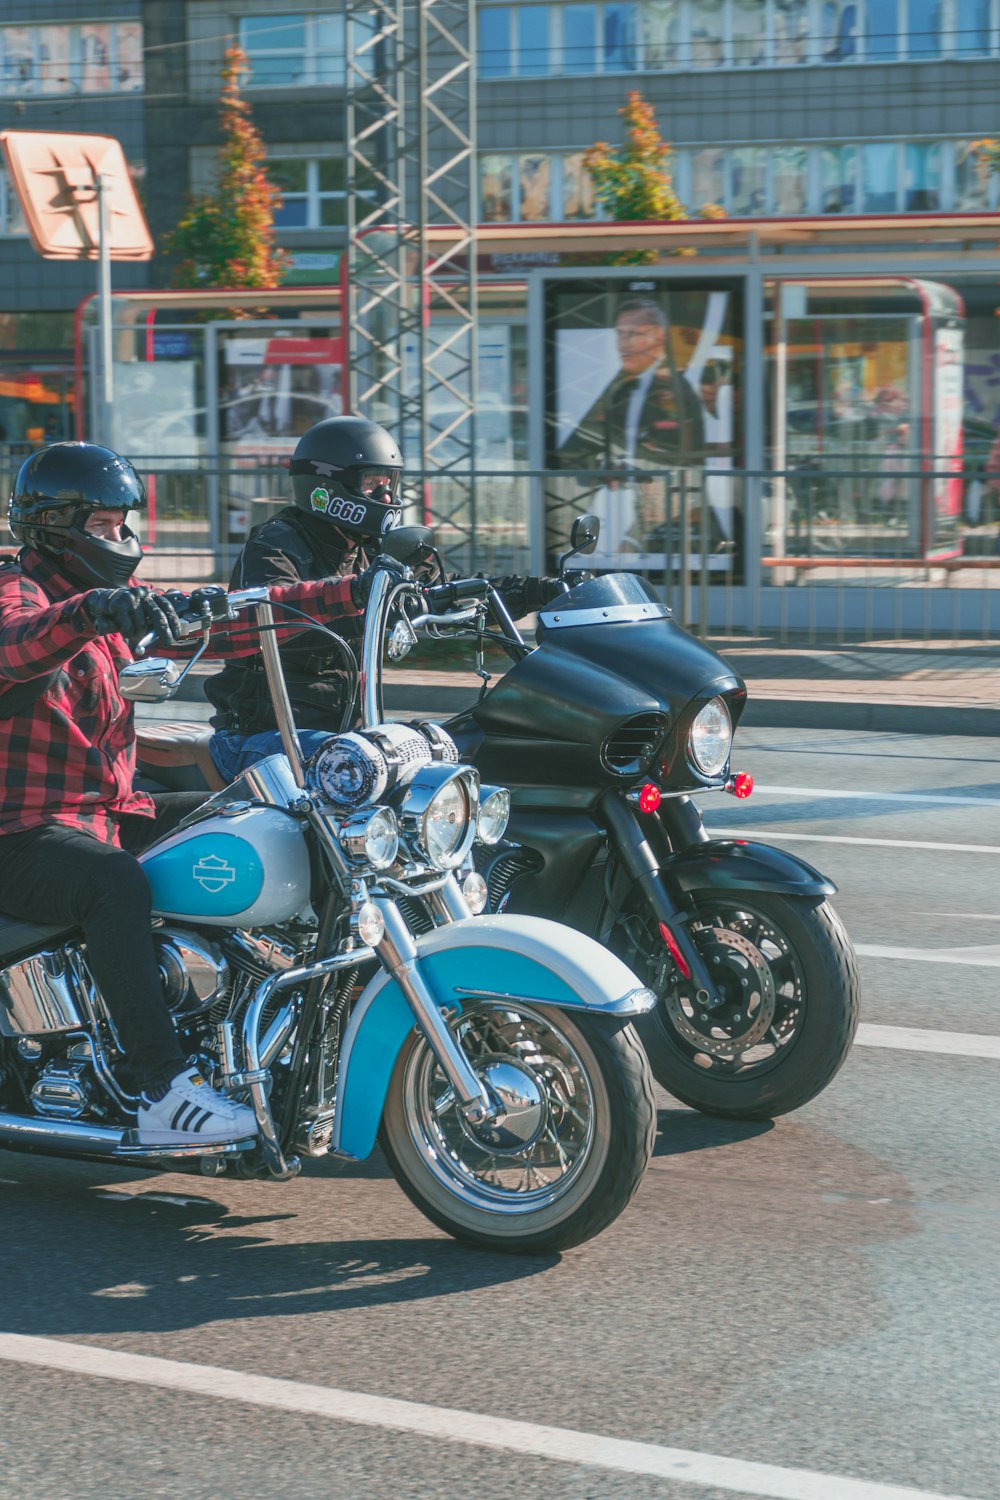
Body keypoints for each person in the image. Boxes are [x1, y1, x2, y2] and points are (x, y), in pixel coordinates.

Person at [0, 441, 382, 1146]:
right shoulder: (24, 593)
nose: (122, 539)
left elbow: (243, 617)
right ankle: (163, 1091)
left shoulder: (104, 608)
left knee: (265, 820)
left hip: (108, 813)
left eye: (124, 524)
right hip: (21, 832)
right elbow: (13, 642)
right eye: (105, 526)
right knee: (111, 884)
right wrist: (93, 610)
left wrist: (355, 592)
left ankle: (274, 1029)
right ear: (55, 525)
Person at [207, 415, 565, 776]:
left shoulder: (374, 549)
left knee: (456, 754)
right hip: (262, 738)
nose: (387, 497)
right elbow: (274, 613)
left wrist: (538, 590)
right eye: (372, 485)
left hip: (344, 733)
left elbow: (446, 590)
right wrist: (360, 596)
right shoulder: (275, 543)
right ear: (326, 486)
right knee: (389, 769)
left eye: (389, 483)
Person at [557, 296, 704, 473]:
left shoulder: (676, 384)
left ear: (661, 337)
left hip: (666, 479)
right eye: (620, 334)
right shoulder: (620, 382)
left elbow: (686, 448)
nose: (623, 345)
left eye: (634, 334)